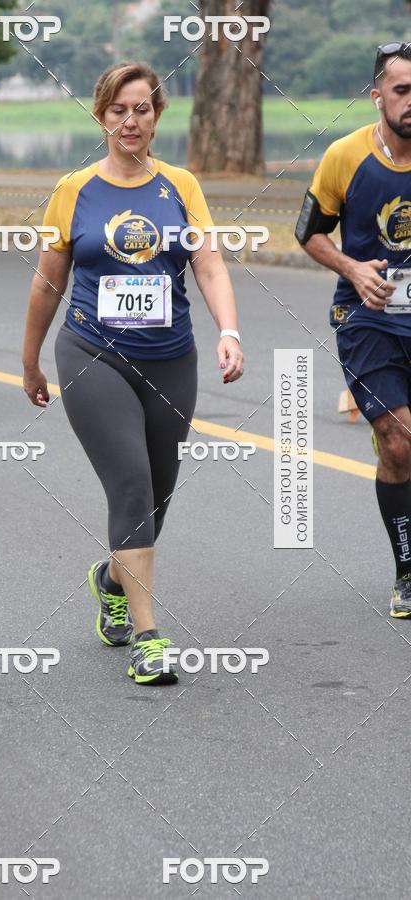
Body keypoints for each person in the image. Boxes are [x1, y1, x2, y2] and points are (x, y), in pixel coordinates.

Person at [22, 62, 243, 685]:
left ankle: (112, 578)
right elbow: (47, 282)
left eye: (142, 109)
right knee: (130, 483)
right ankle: (150, 638)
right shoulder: (74, 190)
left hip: (171, 357)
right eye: (119, 109)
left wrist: (228, 330)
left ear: (155, 117)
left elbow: (210, 265)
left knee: (157, 495)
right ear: (101, 116)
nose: (131, 120)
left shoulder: (182, 185)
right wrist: (30, 358)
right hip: (93, 352)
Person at [296, 42, 411, 619]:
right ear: (377, 97)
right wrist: (351, 266)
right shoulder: (345, 157)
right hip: (367, 318)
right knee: (399, 440)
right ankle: (408, 572)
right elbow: (309, 234)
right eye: (402, 91)